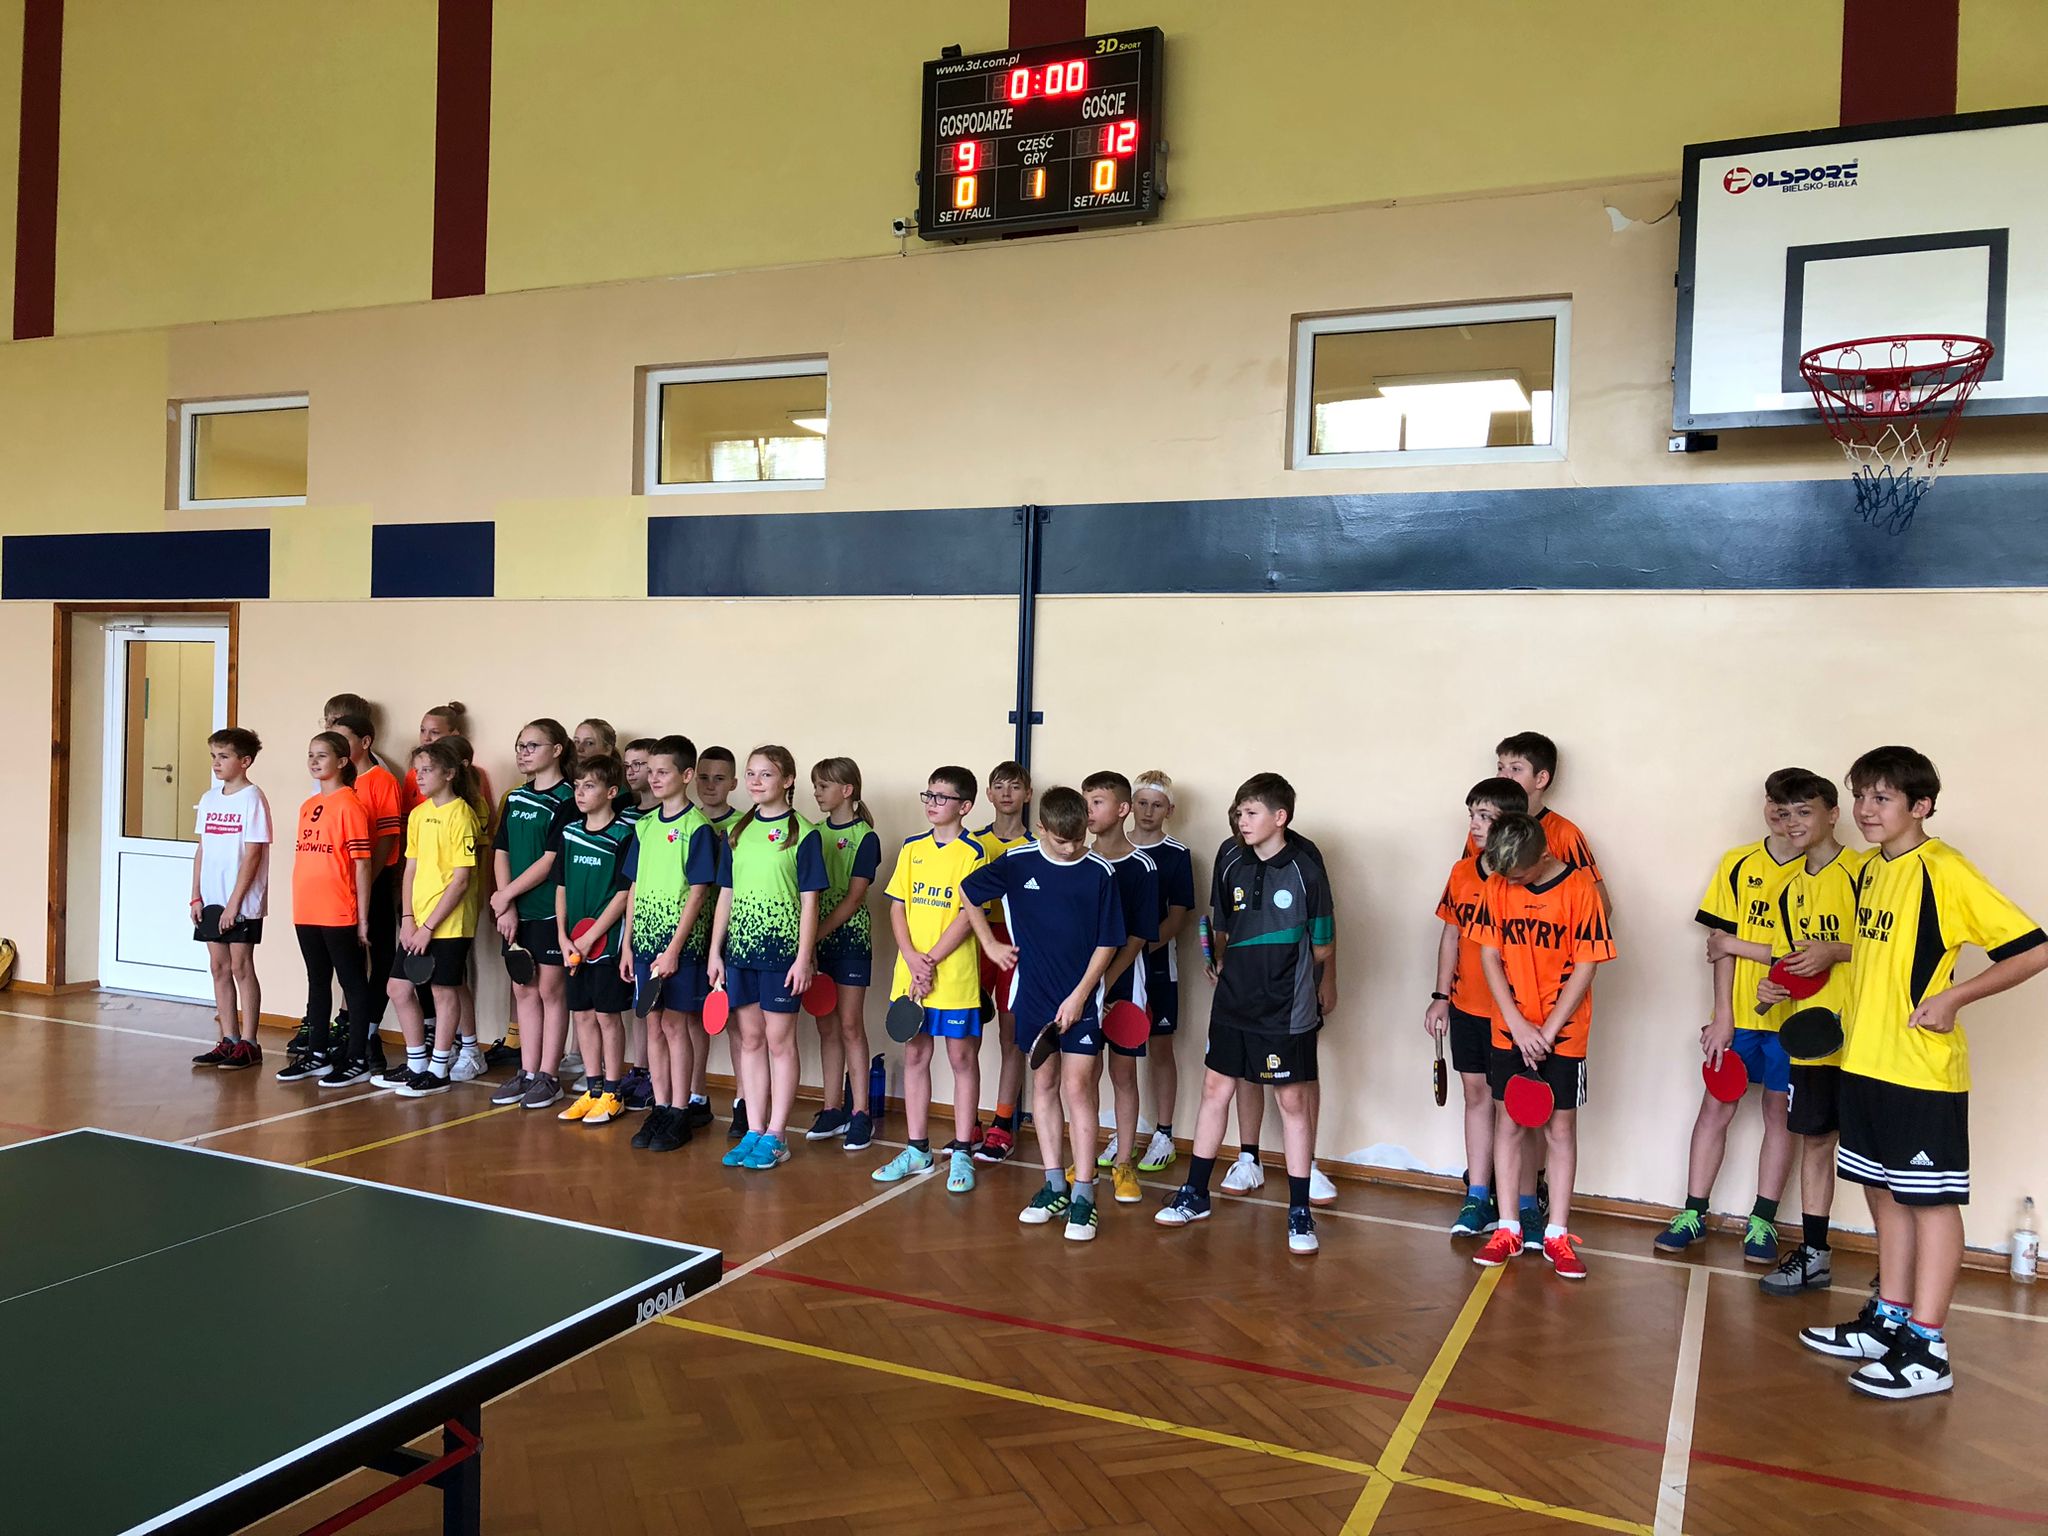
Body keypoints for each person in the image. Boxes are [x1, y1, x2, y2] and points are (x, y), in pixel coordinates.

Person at [1799, 747, 2047, 1399]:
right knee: (1884, 1194)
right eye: (1860, 796)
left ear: (1921, 806)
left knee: (1929, 1203)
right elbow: (1888, 949)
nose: (1865, 810)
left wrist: (1954, 998)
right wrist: (1834, 954)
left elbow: (2033, 950)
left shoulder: (1945, 869)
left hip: (1920, 1070)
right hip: (1864, 1062)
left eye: (1881, 798)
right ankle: (1890, 1319)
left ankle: (1928, 1349)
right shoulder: (1874, 870)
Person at [1157, 774, 1335, 1255]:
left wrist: (1289, 974)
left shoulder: (1306, 871)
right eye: (1239, 813)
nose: (1242, 820)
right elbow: (1222, 924)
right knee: (1215, 1090)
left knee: (1292, 1102)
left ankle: (1299, 1211)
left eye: (1252, 813)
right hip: (1232, 1003)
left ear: (1280, 817)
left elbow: (1322, 947)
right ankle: (1195, 1193)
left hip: (1285, 1009)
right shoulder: (1231, 858)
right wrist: (1220, 959)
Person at [1657, 770, 1811, 1261]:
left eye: (1798, 808)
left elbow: (1815, 955)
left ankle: (1762, 1221)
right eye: (1777, 805)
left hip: (1794, 1024)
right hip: (1740, 1018)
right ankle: (1693, 1213)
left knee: (1778, 1115)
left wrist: (1741, 946)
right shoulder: (1738, 863)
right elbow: (1717, 946)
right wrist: (1722, 1015)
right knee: (1716, 1108)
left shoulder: (1828, 870)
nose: (1785, 816)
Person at [962, 786, 1124, 1242]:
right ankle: (1054, 1185)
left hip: (1081, 1001)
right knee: (1045, 1086)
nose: (1071, 848)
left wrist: (1079, 996)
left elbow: (1108, 943)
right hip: (1032, 998)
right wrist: (990, 945)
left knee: (1078, 1089)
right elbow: (969, 892)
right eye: (1061, 841)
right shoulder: (1018, 862)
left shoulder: (1101, 873)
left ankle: (1084, 1194)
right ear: (1041, 829)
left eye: (1079, 839)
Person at [1468, 813, 1616, 1278]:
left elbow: (1587, 966)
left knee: (1560, 1129)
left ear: (1545, 855)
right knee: (1508, 1123)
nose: (1512, 883)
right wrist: (1517, 1024)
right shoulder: (1497, 886)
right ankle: (1508, 1227)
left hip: (1564, 1032)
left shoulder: (1580, 890)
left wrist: (1547, 1032)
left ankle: (1556, 1234)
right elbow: (1489, 956)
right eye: (1506, 876)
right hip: (1509, 1028)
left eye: (1521, 875)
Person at [1757, 777, 1863, 1296]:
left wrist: (1835, 951)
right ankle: (1815, 1256)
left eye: (1805, 811)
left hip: (1866, 1039)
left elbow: (1896, 948)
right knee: (1816, 1142)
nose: (1793, 822)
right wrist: (1771, 987)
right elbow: (1789, 961)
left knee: (1877, 1157)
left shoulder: (1866, 872)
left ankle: (1897, 1270)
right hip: (1813, 1041)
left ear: (1833, 814)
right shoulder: (1789, 888)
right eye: (1785, 813)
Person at [871, 766, 987, 1192]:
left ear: (965, 806)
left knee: (961, 1060)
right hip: (911, 975)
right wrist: (910, 957)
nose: (933, 803)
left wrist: (931, 961)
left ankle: (962, 1151)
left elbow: (969, 916)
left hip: (953, 976)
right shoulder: (911, 848)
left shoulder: (974, 853)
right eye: (929, 795)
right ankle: (917, 1149)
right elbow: (897, 906)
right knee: (916, 1055)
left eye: (942, 797)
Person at [709, 746, 826, 1172]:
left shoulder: (803, 833)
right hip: (740, 955)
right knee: (750, 1040)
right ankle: (754, 1129)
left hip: (781, 956)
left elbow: (810, 902)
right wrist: (715, 951)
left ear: (788, 780)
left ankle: (777, 1135)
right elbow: (726, 894)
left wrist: (803, 958)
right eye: (751, 774)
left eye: (767, 774)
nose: (756, 782)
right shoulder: (736, 832)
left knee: (779, 1042)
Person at [1425, 776, 1528, 1236]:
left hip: (1516, 1015)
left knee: (1517, 1106)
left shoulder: (1526, 878)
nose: (1475, 824)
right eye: (1472, 815)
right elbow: (1451, 935)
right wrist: (1440, 997)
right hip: (1466, 1006)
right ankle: (1477, 1196)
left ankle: (1524, 1203)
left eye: (1485, 816)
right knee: (1476, 1096)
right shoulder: (1462, 872)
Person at [621, 734, 721, 1154]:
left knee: (676, 1027)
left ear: (686, 775)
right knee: (653, 1024)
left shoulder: (697, 829)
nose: (654, 778)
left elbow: (697, 894)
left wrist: (675, 949)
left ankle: (680, 1110)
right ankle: (660, 1106)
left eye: (663, 772)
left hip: (681, 948)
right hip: (644, 944)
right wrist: (627, 945)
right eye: (650, 771)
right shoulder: (644, 827)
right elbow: (634, 887)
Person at [380, 739, 481, 1095]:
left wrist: (428, 926)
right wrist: (408, 918)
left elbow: (461, 880)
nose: (419, 777)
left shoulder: (462, 814)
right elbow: (410, 869)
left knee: (442, 990)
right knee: (398, 988)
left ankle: (439, 1070)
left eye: (428, 770)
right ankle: (416, 1063)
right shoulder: (419, 814)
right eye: (417, 771)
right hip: (418, 920)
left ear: (450, 773)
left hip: (448, 924)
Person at [489, 718, 577, 1111]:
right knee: (523, 988)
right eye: (520, 746)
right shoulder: (516, 798)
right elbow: (502, 851)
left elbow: (550, 860)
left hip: (549, 912)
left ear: (557, 750)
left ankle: (548, 1076)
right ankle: (526, 1071)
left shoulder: (568, 799)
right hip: (515, 912)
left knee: (550, 991)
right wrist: (506, 905)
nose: (523, 753)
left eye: (532, 746)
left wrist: (506, 894)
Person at [1081, 770, 1158, 1208]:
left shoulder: (1142, 866)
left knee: (1123, 1074)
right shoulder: (1079, 861)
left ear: (1123, 809)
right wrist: (1085, 986)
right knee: (1084, 1074)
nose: (1088, 811)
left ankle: (1124, 1161)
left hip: (1125, 981)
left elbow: (1139, 935)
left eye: (1097, 802)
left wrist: (1105, 981)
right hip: (1082, 986)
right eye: (1085, 802)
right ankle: (1085, 1161)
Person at [280, 733, 374, 1084]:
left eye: (322, 755)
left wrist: (362, 918)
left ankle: (358, 1058)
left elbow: (362, 864)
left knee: (352, 983)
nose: (314, 761)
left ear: (342, 761)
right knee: (317, 980)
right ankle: (317, 1054)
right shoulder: (308, 806)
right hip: (306, 908)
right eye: (311, 755)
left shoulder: (350, 805)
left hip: (338, 909)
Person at [553, 753, 636, 1126]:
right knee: (582, 1014)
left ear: (611, 792)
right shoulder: (570, 832)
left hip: (605, 943)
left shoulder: (624, 836)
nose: (581, 793)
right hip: (573, 943)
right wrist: (563, 935)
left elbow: (623, 895)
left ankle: (614, 1093)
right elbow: (561, 887)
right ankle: (593, 1088)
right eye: (577, 786)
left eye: (590, 786)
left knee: (606, 1016)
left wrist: (590, 938)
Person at [806, 757, 882, 1150]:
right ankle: (831, 1107)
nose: (816, 793)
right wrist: (809, 943)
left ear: (847, 790)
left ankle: (860, 1113)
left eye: (823, 786)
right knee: (826, 1027)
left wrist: (812, 937)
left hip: (850, 943)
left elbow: (853, 899)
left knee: (851, 1025)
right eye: (815, 785)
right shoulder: (812, 834)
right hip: (816, 944)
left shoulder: (865, 838)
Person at [188, 728, 272, 1071]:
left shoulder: (253, 799)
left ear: (245, 761)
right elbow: (202, 849)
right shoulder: (209, 799)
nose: (216, 763)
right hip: (211, 898)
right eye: (213, 756)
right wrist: (195, 895)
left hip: (241, 902)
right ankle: (229, 1039)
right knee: (218, 967)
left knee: (241, 966)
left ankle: (249, 1043)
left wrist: (235, 903)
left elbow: (253, 854)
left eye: (224, 756)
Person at [1128, 770, 1194, 1175]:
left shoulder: (1177, 854)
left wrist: (1138, 949)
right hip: (1113, 966)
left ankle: (1164, 1134)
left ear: (1169, 810)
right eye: (1142, 803)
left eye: (1157, 805)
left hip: (1157, 965)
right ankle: (1125, 1131)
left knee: (1160, 1047)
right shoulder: (1109, 848)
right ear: (1130, 805)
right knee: (1118, 1051)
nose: (1148, 811)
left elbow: (1178, 917)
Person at [973, 760, 1034, 1165]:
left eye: (1015, 786)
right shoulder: (973, 843)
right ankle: (968, 1123)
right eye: (999, 786)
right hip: (976, 942)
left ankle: (1002, 1123)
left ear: (1027, 794)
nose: (1007, 793)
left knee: (1010, 1035)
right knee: (967, 1032)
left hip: (1015, 944)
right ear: (989, 794)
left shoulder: (1035, 847)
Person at [693, 745, 741, 1133]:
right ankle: (696, 1097)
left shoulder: (743, 827)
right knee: (692, 1019)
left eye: (719, 778)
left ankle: (744, 1101)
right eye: (704, 777)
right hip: (691, 936)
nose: (710, 785)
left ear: (734, 783)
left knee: (739, 1024)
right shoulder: (685, 822)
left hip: (731, 937)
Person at [614, 736, 660, 1107]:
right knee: (637, 1001)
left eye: (639, 764)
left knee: (661, 1012)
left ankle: (656, 1078)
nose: (632, 771)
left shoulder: (671, 820)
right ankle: (639, 1068)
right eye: (627, 765)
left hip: (664, 928)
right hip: (628, 923)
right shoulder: (621, 811)